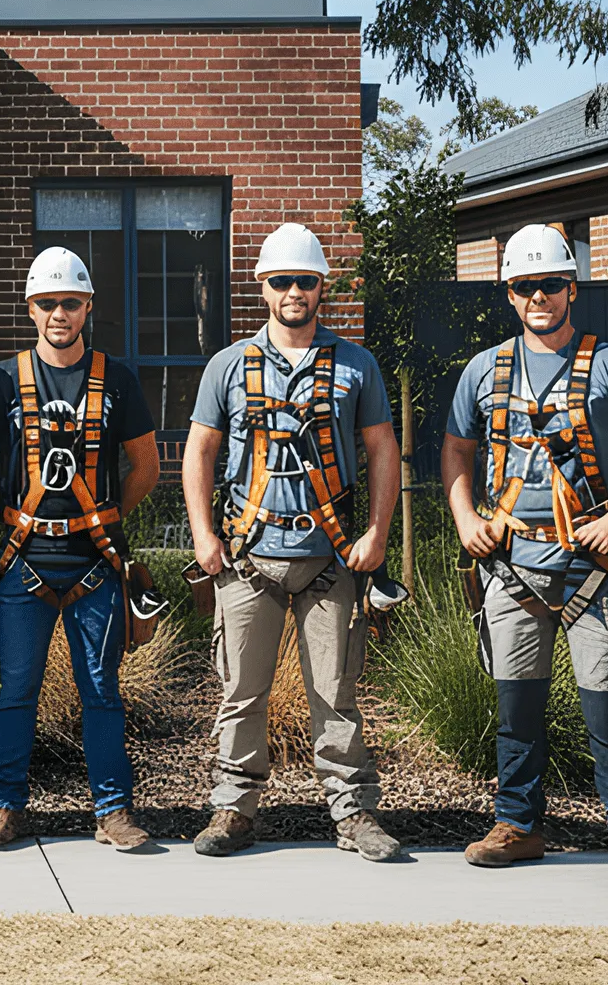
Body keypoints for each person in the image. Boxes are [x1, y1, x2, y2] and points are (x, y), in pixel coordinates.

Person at [443, 224, 608, 895]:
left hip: (591, 567)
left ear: (572, 287)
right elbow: (456, 450)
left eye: (549, 283)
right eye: (524, 286)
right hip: (511, 563)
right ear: (510, 296)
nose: (538, 296)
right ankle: (518, 825)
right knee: (516, 708)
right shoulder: (484, 371)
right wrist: (467, 519)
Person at [182, 222, 403, 862]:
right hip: (249, 558)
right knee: (240, 693)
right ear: (263, 288)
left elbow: (383, 450)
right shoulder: (227, 366)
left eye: (305, 281)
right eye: (282, 281)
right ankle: (234, 809)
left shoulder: (355, 365)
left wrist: (378, 534)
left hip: (330, 558)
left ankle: (354, 813)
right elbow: (200, 449)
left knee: (336, 693)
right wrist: (202, 533)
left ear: (321, 287)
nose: (294, 291)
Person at [0, 246, 162, 852]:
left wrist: (108, 518)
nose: (58, 313)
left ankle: (113, 811)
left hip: (94, 563)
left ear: (87, 307)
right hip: (24, 563)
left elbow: (146, 463)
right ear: (30, 308)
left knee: (100, 688)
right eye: (47, 303)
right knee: (16, 687)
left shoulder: (117, 379)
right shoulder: (0, 379)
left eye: (69, 303)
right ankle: (3, 809)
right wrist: (8, 513)